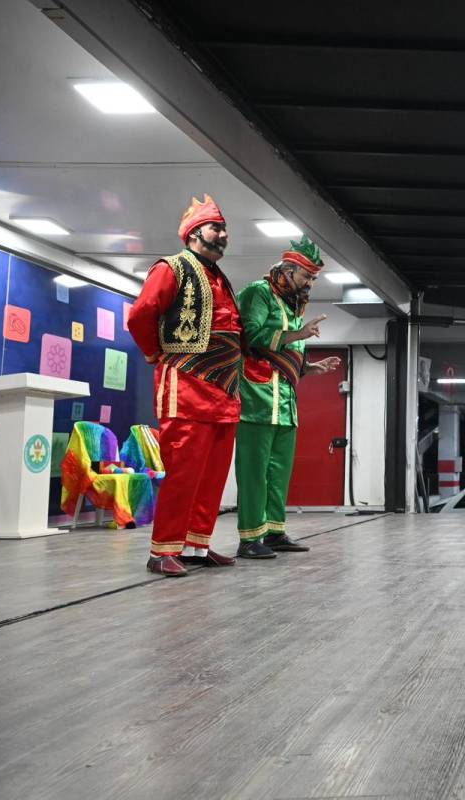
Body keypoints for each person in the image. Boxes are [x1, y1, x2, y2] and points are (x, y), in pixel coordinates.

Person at [128, 195, 243, 576]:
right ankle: (162, 550)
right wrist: (153, 354)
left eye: (224, 229)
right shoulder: (171, 268)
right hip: (187, 386)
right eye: (216, 227)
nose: (223, 235)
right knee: (184, 473)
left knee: (212, 476)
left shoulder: (219, 277)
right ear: (194, 232)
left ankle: (195, 546)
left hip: (224, 393)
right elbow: (141, 315)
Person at [233, 235, 339, 558]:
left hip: (285, 403)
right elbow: (251, 337)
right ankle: (249, 538)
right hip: (256, 400)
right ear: (289, 269)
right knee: (254, 472)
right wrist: (298, 333)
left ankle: (274, 532)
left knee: (279, 471)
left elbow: (287, 353)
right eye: (306, 276)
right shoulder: (258, 293)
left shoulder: (293, 304)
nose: (309, 283)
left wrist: (311, 367)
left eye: (313, 279)